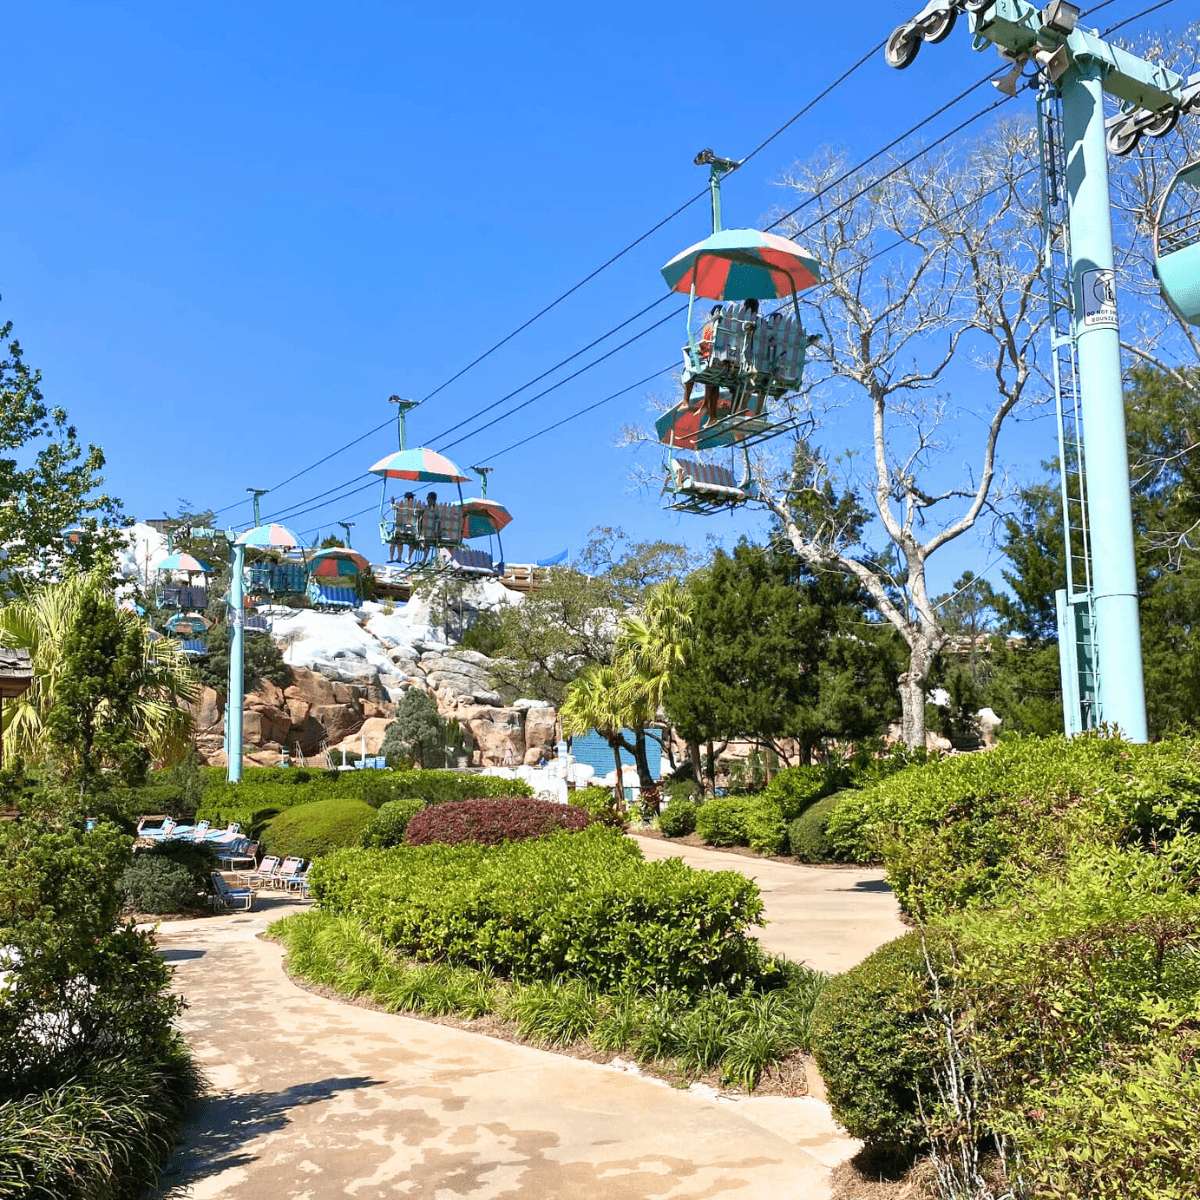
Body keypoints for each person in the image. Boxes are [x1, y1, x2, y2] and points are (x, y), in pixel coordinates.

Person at [419, 491, 441, 563]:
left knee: (427, 542)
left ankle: (424, 559)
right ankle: (423, 559)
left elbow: (438, 520)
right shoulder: (425, 508)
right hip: (424, 530)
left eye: (428, 498)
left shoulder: (436, 509)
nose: (427, 500)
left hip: (432, 531)